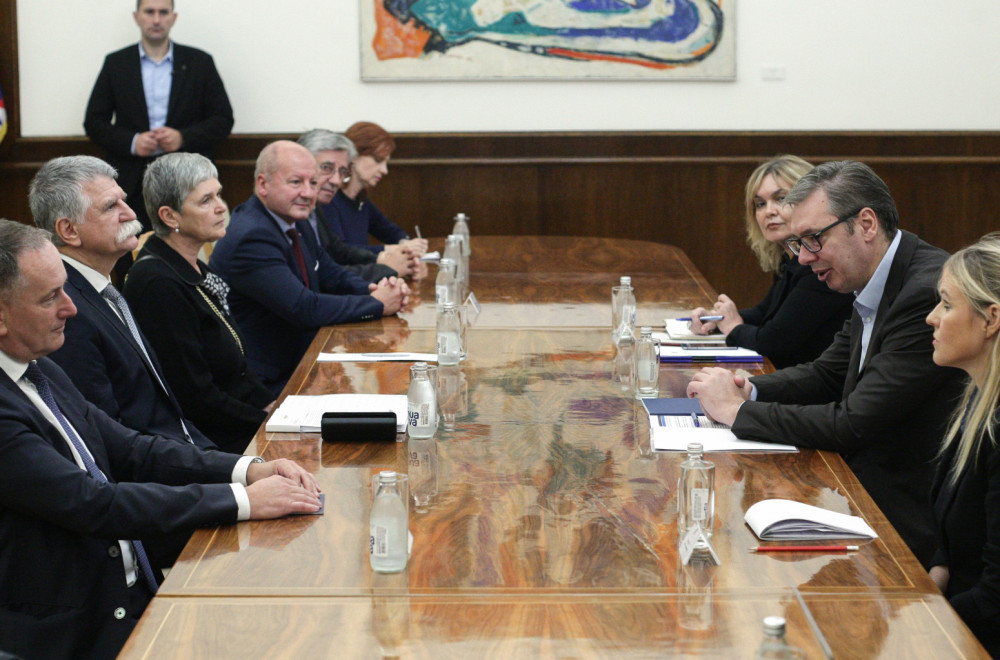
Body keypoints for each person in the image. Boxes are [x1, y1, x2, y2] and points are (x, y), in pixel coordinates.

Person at [0, 219, 321, 660]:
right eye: (49, 296)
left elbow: (130, 448)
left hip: (130, 594)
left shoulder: (39, 368)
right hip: (73, 632)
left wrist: (248, 469)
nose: (71, 308)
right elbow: (94, 504)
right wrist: (244, 502)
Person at [686, 160, 965, 567]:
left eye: (813, 239)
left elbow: (853, 423)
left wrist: (737, 411)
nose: (801, 258)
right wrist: (750, 387)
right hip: (862, 485)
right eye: (799, 243)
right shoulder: (875, 276)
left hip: (907, 515)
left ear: (866, 224)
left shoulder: (922, 293)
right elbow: (827, 371)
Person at [29, 155, 214, 450]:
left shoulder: (102, 288)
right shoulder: (67, 310)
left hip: (187, 449)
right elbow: (110, 439)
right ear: (69, 231)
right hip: (158, 474)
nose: (130, 213)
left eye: (124, 200)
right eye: (111, 206)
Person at [210, 141, 409, 396]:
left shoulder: (294, 219)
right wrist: (378, 303)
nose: (307, 193)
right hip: (266, 382)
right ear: (263, 184)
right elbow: (303, 307)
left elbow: (331, 274)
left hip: (306, 359)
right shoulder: (252, 235)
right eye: (296, 182)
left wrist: (377, 288)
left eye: (313, 183)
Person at [122, 153, 274, 454]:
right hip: (208, 443)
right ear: (170, 216)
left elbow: (238, 367)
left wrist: (271, 406)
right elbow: (194, 399)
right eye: (205, 200)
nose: (221, 206)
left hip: (238, 420)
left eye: (218, 195)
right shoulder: (158, 284)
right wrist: (265, 420)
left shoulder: (195, 267)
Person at [688, 155, 853, 368]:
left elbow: (774, 341)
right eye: (760, 204)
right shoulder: (790, 258)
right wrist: (718, 318)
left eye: (781, 199)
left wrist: (734, 327)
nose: (769, 211)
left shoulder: (819, 262)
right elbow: (765, 313)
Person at [83, 0, 233, 232]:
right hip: (131, 182)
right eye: (149, 12)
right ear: (137, 17)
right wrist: (133, 142)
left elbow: (223, 119)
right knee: (130, 251)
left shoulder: (199, 62)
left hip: (188, 181)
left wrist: (183, 137)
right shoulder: (116, 63)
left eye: (163, 12)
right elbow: (94, 122)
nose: (156, 19)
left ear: (173, 18)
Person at [925, 234, 1000, 656]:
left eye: (947, 305)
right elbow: (956, 533)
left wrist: (919, 622)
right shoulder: (976, 396)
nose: (932, 318)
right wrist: (936, 573)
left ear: (991, 319)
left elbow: (996, 598)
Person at [296, 129, 418, 280]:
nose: (336, 181)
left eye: (341, 171)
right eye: (326, 168)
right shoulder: (315, 206)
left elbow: (338, 251)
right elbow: (323, 275)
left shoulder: (319, 207)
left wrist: (386, 257)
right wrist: (386, 266)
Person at [321, 121, 428, 257]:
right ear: (354, 156)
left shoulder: (361, 200)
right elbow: (342, 252)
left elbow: (390, 231)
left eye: (386, 163)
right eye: (378, 160)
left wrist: (406, 243)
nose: (384, 170)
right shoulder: (329, 199)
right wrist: (394, 249)